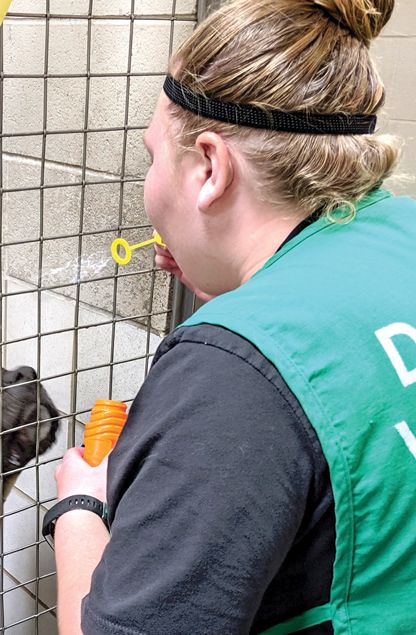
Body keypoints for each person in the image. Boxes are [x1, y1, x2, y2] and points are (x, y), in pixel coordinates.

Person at [47, 0, 416, 633]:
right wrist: (237, 295)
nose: (150, 178)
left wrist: (80, 507)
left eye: (153, 155)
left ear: (210, 168)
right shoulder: (401, 230)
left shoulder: (229, 377)